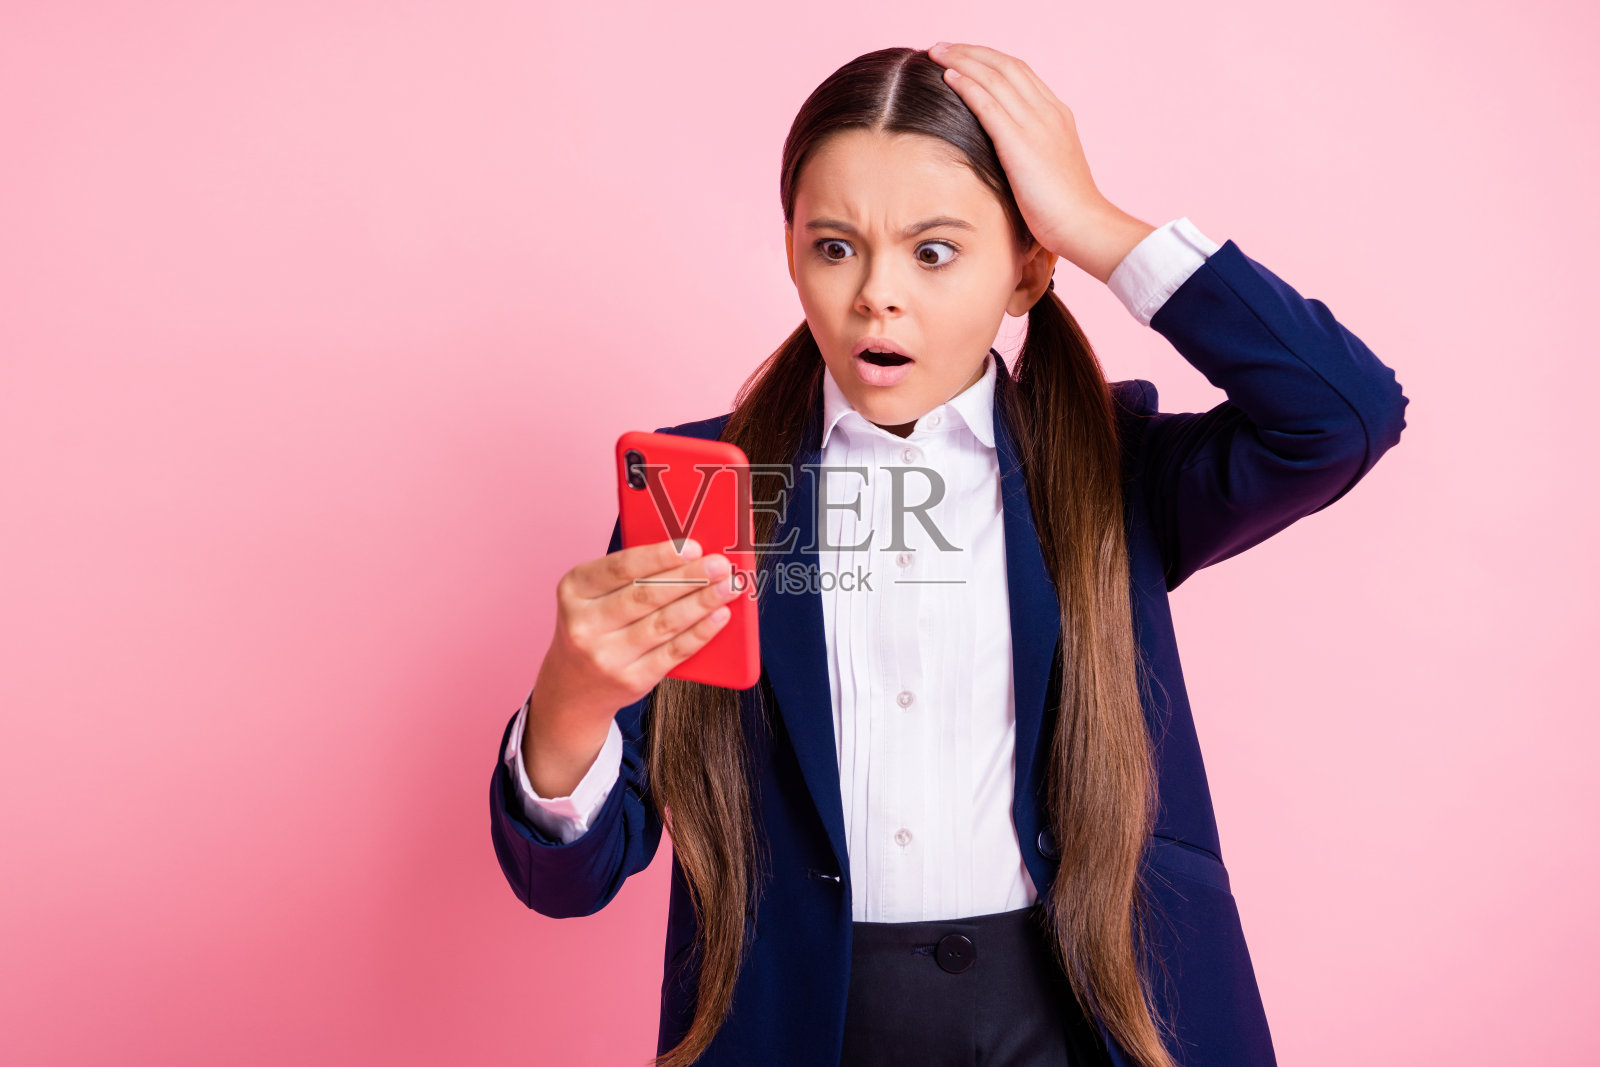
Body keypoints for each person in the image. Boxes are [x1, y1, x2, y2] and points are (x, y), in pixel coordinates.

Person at [488, 42, 1408, 1067]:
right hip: (799, 1030)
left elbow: (1343, 414)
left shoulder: (1112, 475)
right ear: (790, 249)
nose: (877, 293)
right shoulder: (707, 491)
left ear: (1026, 266)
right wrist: (569, 696)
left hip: (1089, 1019)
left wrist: (1100, 228)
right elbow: (565, 878)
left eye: (934, 251)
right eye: (834, 246)